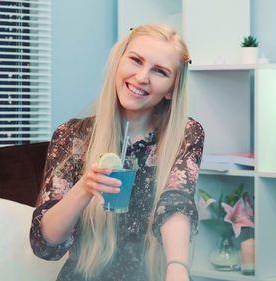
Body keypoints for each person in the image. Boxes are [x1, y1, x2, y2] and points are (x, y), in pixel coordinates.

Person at [30, 24, 204, 281]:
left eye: (159, 71)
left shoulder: (186, 134)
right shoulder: (72, 135)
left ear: (171, 89)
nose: (142, 77)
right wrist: (84, 188)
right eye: (136, 60)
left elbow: (176, 203)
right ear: (119, 62)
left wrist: (177, 267)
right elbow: (45, 244)